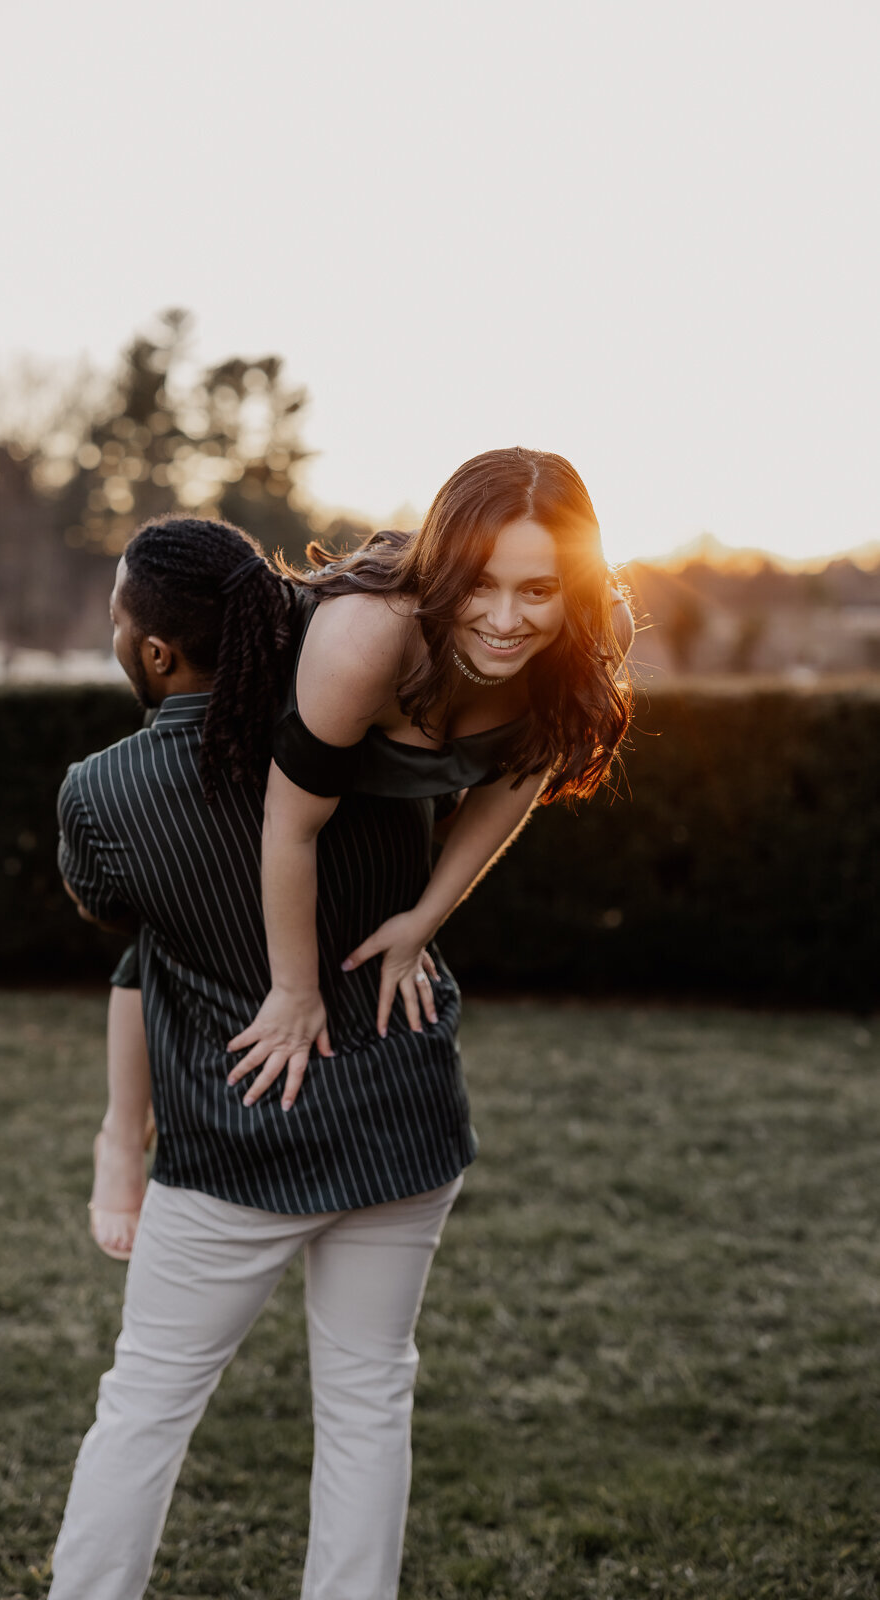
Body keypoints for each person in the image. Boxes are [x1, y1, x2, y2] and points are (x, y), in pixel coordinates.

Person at [50, 515, 474, 1600]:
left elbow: (121, 918)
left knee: (145, 1400)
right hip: (400, 1120)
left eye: (115, 617)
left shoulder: (100, 793)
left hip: (237, 1141)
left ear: (152, 652)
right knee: (370, 1396)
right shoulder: (365, 724)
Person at [227, 446, 634, 1107]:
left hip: (382, 831)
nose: (504, 623)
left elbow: (520, 773)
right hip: (259, 795)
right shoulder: (366, 637)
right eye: (478, 583)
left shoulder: (596, 631)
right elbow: (290, 824)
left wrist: (423, 920)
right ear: (443, 568)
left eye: (537, 590)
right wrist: (294, 995)